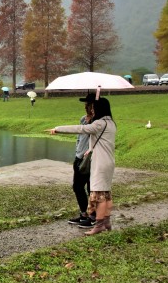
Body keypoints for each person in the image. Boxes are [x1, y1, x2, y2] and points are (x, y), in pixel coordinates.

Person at [48, 97, 117, 236]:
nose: (91, 109)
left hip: (100, 163)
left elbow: (80, 129)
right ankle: (106, 222)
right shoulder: (111, 123)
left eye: (93, 107)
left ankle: (98, 225)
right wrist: (90, 149)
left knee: (99, 195)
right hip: (109, 161)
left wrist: (58, 129)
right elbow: (100, 141)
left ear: (98, 108)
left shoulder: (99, 123)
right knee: (106, 194)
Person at [67, 93, 95, 228]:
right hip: (79, 158)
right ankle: (84, 213)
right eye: (86, 104)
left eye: (89, 104)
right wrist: (78, 152)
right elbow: (79, 137)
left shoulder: (98, 122)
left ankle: (93, 216)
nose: (86, 106)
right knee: (77, 186)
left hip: (91, 159)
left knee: (92, 188)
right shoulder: (83, 120)